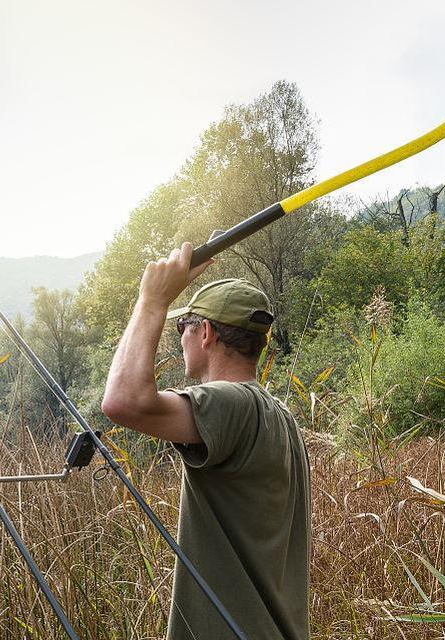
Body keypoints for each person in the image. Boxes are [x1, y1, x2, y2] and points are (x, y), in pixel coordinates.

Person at [101, 242, 310, 640]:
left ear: (207, 333)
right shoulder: (279, 415)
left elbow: (123, 401)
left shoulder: (231, 404)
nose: (180, 338)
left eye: (183, 327)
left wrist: (151, 301)